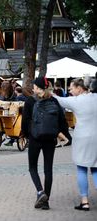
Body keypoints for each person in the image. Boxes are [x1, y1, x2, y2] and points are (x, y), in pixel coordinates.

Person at [21, 77, 67, 210]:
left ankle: (40, 192)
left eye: (34, 86)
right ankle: (46, 202)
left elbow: (25, 121)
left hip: (35, 138)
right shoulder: (53, 100)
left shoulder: (30, 101)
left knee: (32, 167)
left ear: (37, 88)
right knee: (48, 170)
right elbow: (61, 120)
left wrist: (26, 133)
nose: (33, 88)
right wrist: (63, 135)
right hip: (50, 140)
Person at [53, 79, 97, 211]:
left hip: (83, 137)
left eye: (72, 88)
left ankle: (84, 201)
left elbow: (57, 99)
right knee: (96, 169)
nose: (70, 91)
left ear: (79, 88)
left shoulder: (76, 101)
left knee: (82, 169)